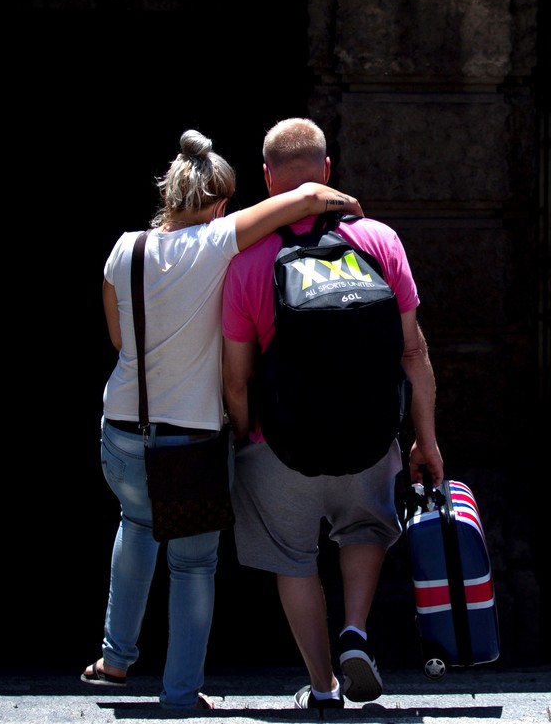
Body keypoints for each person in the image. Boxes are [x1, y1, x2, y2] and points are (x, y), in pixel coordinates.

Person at [82, 128, 363, 711]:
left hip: (122, 427)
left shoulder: (124, 248)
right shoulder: (215, 242)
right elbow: (304, 199)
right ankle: (181, 690)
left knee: (135, 526)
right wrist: (344, 206)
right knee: (192, 563)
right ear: (216, 204)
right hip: (190, 438)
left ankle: (115, 657)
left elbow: (117, 338)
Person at [221, 117, 443, 712]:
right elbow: (413, 350)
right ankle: (355, 634)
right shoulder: (380, 241)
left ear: (269, 181)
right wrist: (425, 440)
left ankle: (322, 687)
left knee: (293, 559)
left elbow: (237, 377)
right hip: (370, 437)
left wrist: (245, 437)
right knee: (365, 530)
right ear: (326, 172)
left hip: (280, 443)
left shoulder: (246, 262)